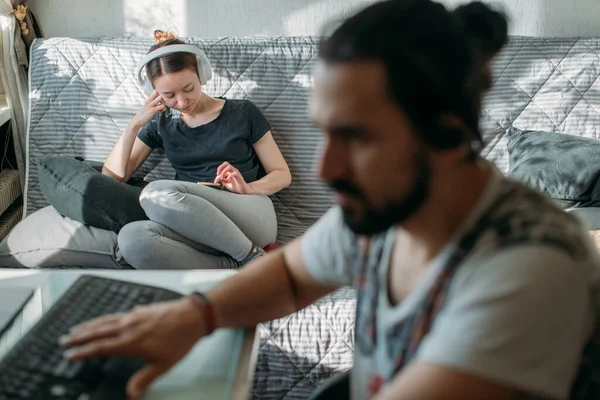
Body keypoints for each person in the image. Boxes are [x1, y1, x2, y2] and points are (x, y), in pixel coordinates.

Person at [60, 1, 600, 399]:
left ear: (447, 131)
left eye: (358, 138)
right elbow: (293, 274)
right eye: (327, 135)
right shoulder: (386, 211)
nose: (326, 169)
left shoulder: (531, 267)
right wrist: (196, 315)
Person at [105, 31, 291, 269]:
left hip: (251, 212)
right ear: (154, 93)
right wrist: (134, 125)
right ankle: (231, 264)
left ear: (202, 76)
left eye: (188, 88)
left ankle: (250, 255)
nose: (182, 102)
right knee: (131, 239)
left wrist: (248, 188)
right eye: (169, 95)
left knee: (154, 194)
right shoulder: (160, 122)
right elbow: (112, 177)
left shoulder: (243, 112)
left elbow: (282, 174)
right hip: (198, 227)